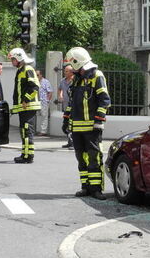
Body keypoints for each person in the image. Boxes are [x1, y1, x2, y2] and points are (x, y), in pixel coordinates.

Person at [62, 47, 111, 200]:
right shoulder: (77, 80)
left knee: (94, 157)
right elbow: (71, 102)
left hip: (92, 127)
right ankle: (85, 187)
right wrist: (66, 118)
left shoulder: (97, 76)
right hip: (77, 127)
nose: (71, 69)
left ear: (77, 63)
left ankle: (96, 189)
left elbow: (105, 100)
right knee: (81, 158)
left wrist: (99, 120)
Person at [8, 48, 41, 164]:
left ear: (18, 58)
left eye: (13, 59)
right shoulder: (21, 70)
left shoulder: (28, 69)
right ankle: (25, 154)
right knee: (24, 132)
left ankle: (28, 156)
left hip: (29, 107)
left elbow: (35, 87)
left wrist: (25, 100)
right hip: (24, 107)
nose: (12, 62)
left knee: (27, 131)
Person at [57, 64, 74, 149]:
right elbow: (59, 89)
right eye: (64, 71)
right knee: (66, 125)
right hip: (66, 106)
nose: (65, 73)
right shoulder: (62, 81)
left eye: (66, 71)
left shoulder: (75, 80)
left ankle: (73, 143)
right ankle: (69, 141)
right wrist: (60, 95)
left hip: (74, 107)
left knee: (72, 125)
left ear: (71, 72)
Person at [35, 69, 52, 136]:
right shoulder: (35, 82)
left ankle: (43, 131)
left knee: (44, 116)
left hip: (43, 102)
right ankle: (37, 130)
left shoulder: (46, 82)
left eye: (38, 75)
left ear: (41, 75)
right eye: (35, 75)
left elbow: (50, 92)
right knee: (37, 116)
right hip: (36, 102)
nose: (36, 76)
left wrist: (47, 101)